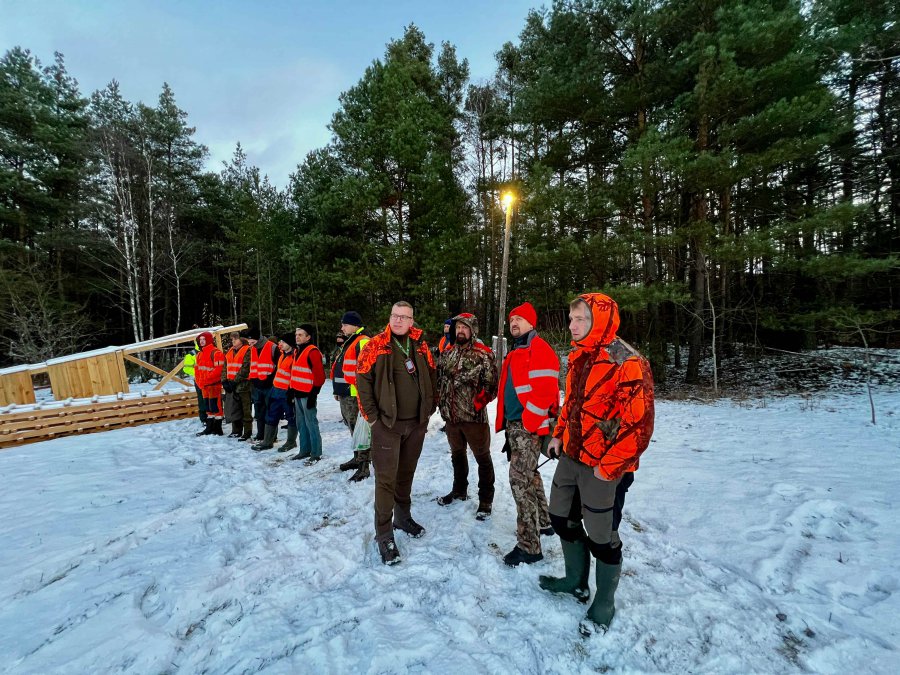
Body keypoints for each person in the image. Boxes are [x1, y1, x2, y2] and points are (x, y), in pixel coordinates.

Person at [541, 293, 654, 635]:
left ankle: (604, 602)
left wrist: (609, 467)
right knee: (560, 518)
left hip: (606, 467)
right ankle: (575, 581)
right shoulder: (579, 355)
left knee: (603, 537)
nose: (572, 326)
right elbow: (572, 403)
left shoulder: (627, 361)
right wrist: (558, 435)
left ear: (601, 320)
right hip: (572, 455)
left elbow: (639, 425)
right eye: (571, 318)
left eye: (581, 319)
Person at [356, 301, 437, 565]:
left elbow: (432, 375)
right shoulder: (375, 345)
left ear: (412, 321)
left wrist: (429, 407)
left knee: (406, 474)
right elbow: (362, 380)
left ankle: (403, 518)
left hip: (416, 424)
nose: (398, 320)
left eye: (404, 317)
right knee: (386, 480)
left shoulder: (421, 345)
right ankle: (384, 534)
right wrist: (373, 419)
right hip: (387, 426)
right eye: (394, 315)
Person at [495, 302, 559, 566]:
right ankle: (544, 522)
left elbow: (546, 390)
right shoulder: (517, 350)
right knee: (530, 475)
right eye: (512, 319)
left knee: (519, 481)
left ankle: (529, 546)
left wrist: (529, 421)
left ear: (532, 323)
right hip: (517, 425)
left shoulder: (539, 348)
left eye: (519, 319)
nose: (514, 323)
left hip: (527, 426)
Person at [436, 313, 498, 520]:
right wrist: (441, 403)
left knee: (483, 458)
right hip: (451, 417)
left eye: (465, 327)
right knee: (457, 455)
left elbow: (492, 386)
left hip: (473, 419)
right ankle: (459, 490)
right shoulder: (448, 352)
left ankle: (486, 501)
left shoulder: (483, 354)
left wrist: (476, 404)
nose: (460, 331)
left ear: (473, 330)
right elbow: (440, 380)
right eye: (458, 327)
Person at [331, 311, 372, 480]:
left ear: (355, 325)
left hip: (356, 395)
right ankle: (357, 459)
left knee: (361, 431)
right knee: (353, 430)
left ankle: (364, 466)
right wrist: (338, 390)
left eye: (345, 324)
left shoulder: (362, 341)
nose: (342, 328)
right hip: (346, 394)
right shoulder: (350, 341)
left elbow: (368, 370)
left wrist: (364, 394)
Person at [251, 334, 298, 452]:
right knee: (271, 416)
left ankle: (291, 442)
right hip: (276, 391)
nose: (280, 344)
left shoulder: (295, 357)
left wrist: (291, 392)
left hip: (287, 393)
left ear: (290, 344)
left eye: (283, 342)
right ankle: (267, 441)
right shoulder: (282, 355)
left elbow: (295, 376)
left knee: (291, 418)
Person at [290, 323, 326, 464]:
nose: (297, 337)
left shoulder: (312, 352)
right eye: (296, 335)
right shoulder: (297, 351)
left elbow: (320, 377)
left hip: (307, 395)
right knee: (301, 424)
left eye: (300, 335)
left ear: (308, 337)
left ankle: (316, 453)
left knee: (311, 423)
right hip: (297, 394)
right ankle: (304, 450)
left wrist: (313, 395)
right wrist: (291, 391)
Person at [248, 328, 278, 442]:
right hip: (257, 386)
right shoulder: (253, 349)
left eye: (252, 341)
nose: (250, 343)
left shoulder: (272, 347)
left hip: (269, 386)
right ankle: (260, 434)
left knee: (270, 412)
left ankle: (271, 437)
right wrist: (253, 381)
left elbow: (279, 366)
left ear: (258, 338)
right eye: (249, 341)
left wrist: (270, 380)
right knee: (259, 412)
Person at [222, 331, 252, 440]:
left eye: (235, 339)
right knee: (234, 409)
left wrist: (234, 381)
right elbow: (225, 367)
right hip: (231, 385)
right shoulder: (230, 351)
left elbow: (245, 368)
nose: (233, 341)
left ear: (242, 339)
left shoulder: (248, 350)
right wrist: (224, 381)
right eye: (232, 339)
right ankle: (236, 430)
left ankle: (247, 431)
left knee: (245, 410)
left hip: (243, 385)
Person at [195, 331, 225, 436]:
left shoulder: (216, 353)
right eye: (200, 340)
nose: (202, 341)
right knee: (208, 407)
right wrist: (199, 382)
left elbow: (219, 370)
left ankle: (217, 428)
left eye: (204, 339)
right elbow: (197, 371)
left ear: (209, 340)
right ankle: (210, 428)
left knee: (216, 407)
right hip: (204, 386)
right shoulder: (199, 354)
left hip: (214, 385)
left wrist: (205, 380)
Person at [182, 339, 207, 428]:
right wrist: (199, 373)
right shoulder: (192, 354)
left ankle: (215, 417)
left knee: (213, 398)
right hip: (199, 380)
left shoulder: (210, 351)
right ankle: (204, 419)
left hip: (211, 379)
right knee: (202, 399)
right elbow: (186, 368)